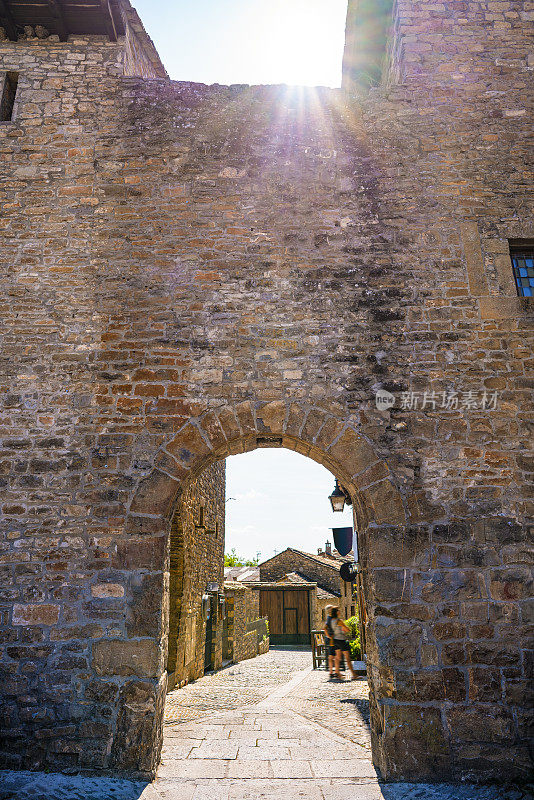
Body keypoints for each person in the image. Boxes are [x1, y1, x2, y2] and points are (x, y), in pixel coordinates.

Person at [330, 606, 357, 680]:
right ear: (336, 612)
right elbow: (347, 629)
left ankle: (337, 673)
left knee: (337, 657)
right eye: (338, 610)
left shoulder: (332, 621)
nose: (340, 611)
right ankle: (354, 675)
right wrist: (346, 629)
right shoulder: (339, 621)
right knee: (348, 658)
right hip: (341, 640)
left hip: (335, 640)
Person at [322, 605, 336, 679]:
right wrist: (328, 636)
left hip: (333, 639)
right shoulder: (329, 618)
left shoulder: (331, 617)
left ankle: (334, 671)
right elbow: (325, 628)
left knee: (334, 655)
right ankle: (331, 672)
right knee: (332, 655)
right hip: (331, 639)